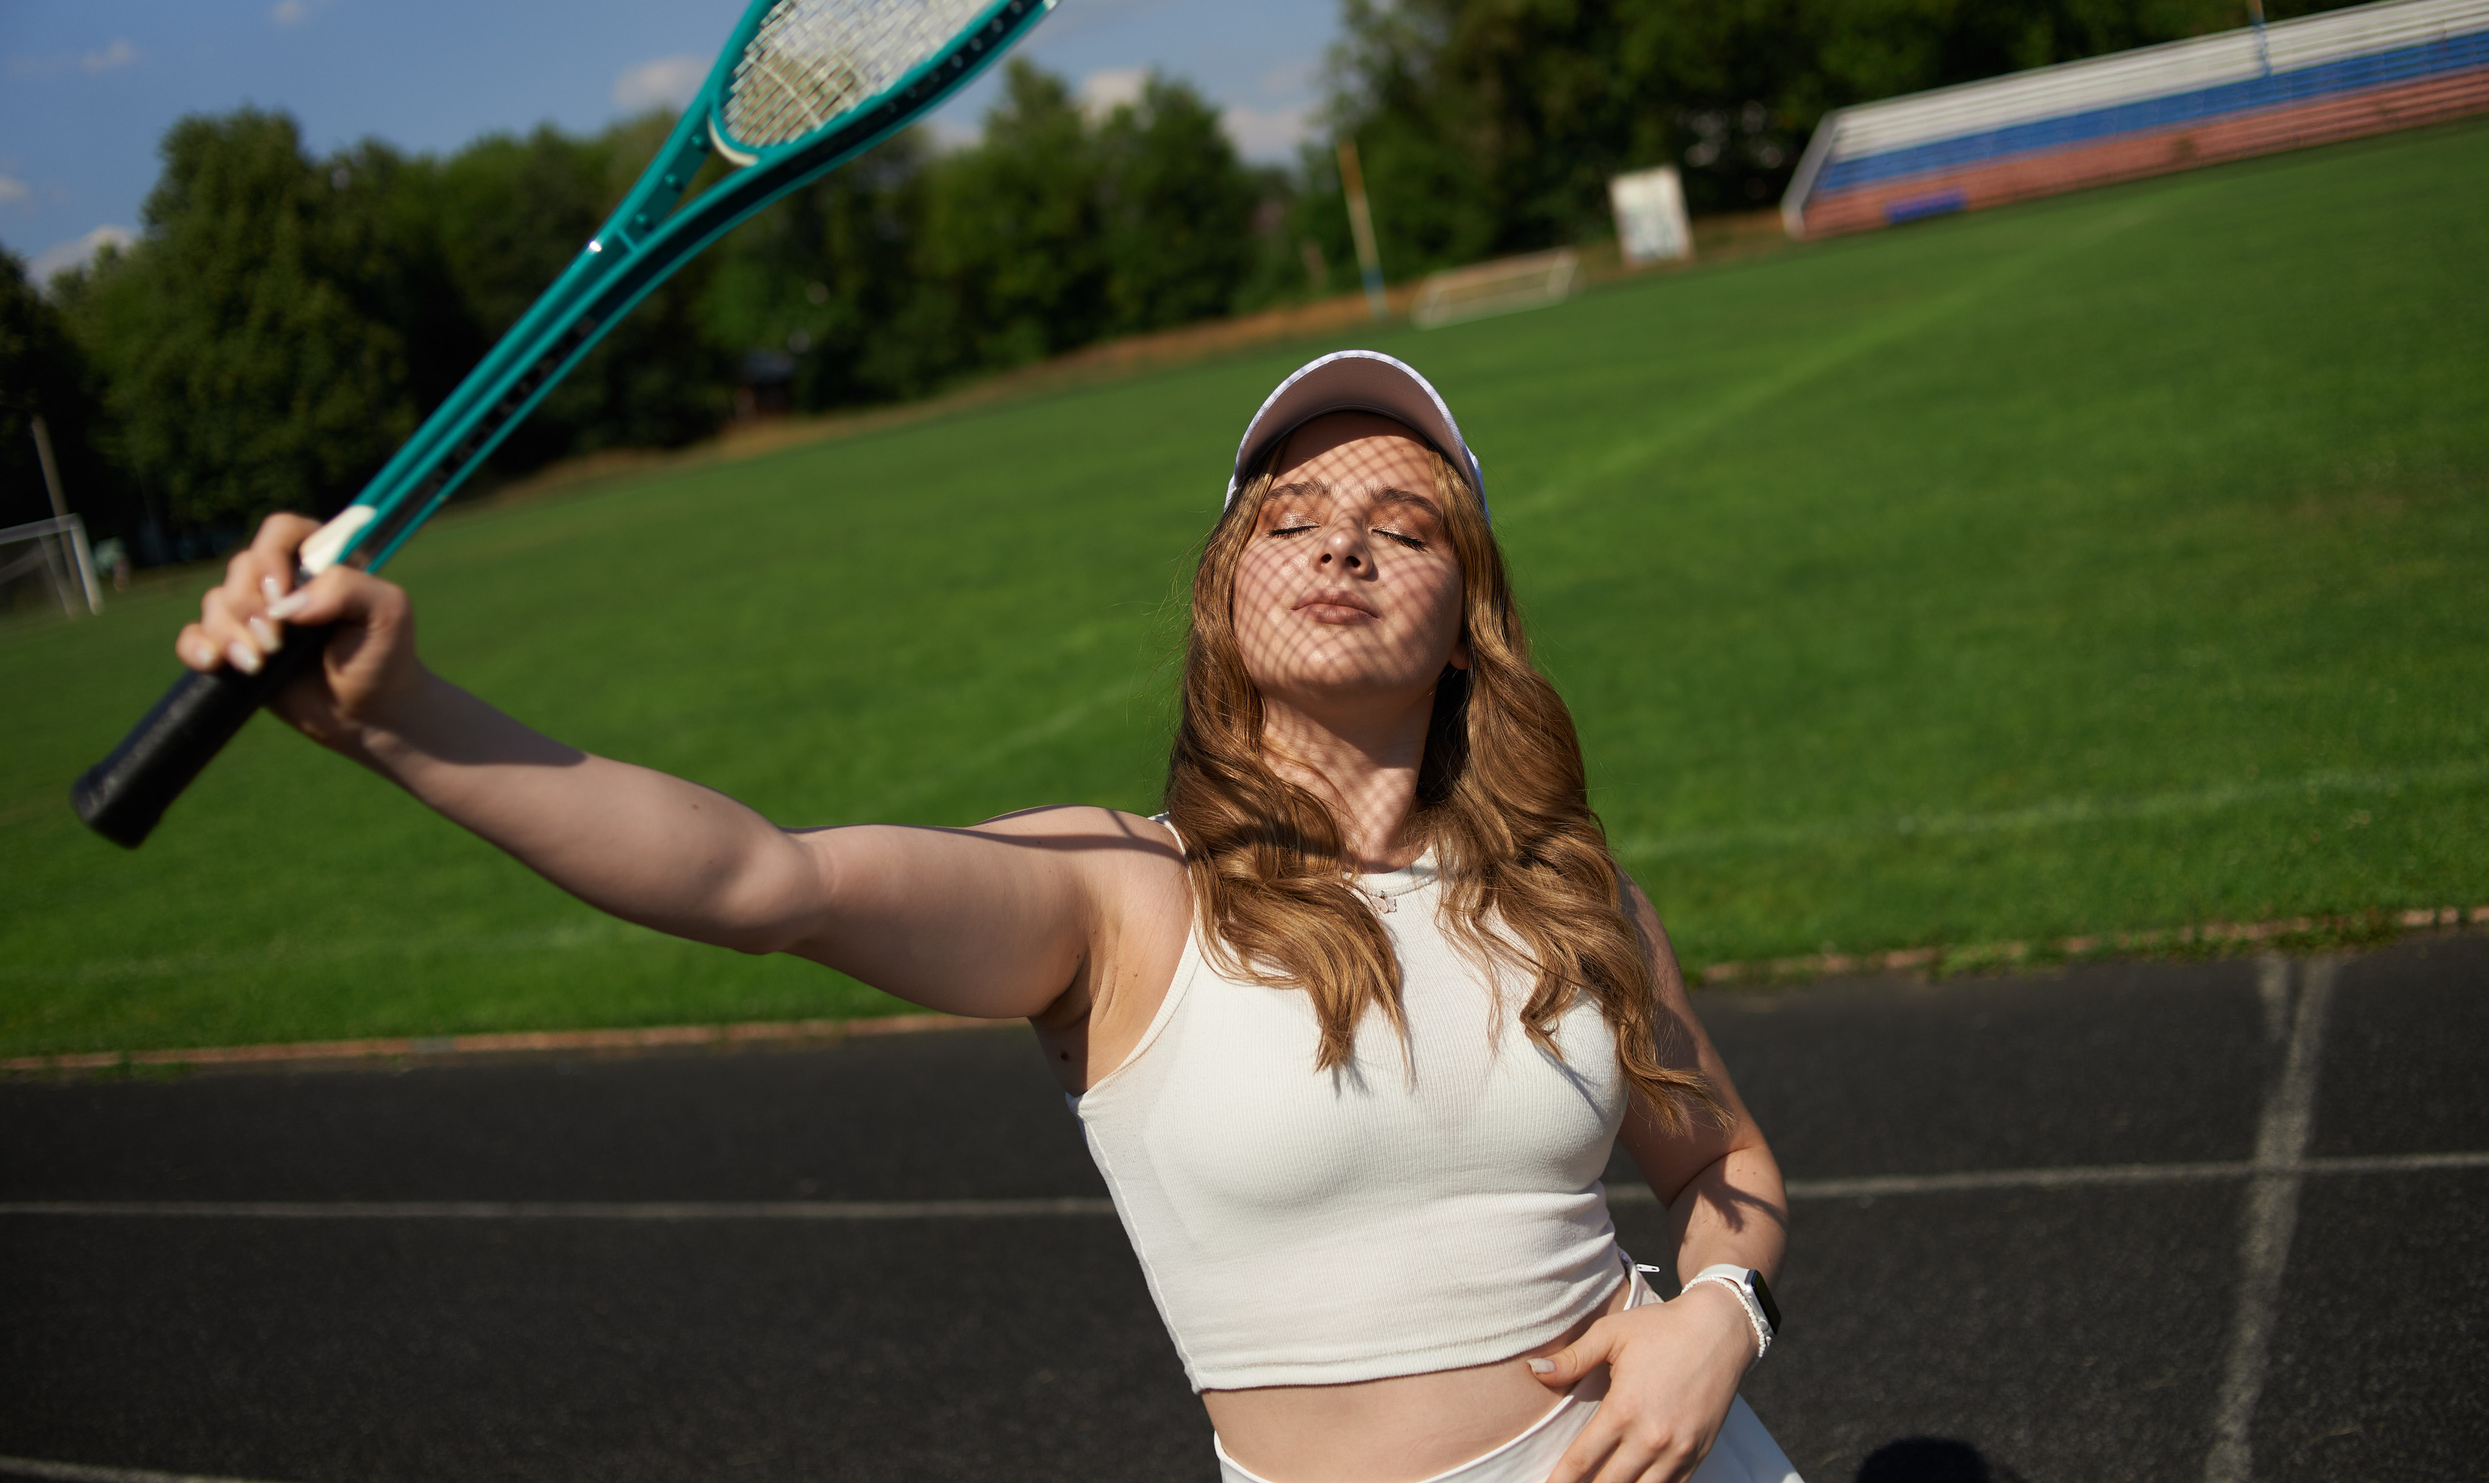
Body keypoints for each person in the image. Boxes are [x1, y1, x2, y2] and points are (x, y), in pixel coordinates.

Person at [178, 350, 1798, 1483]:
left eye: (1404, 520)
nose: (1342, 544)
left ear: (1467, 619)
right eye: (1287, 518)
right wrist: (406, 719)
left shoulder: (1566, 888)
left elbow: (1720, 1164)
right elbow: (763, 879)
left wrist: (1718, 1315)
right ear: (1226, 598)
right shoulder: (1122, 895)